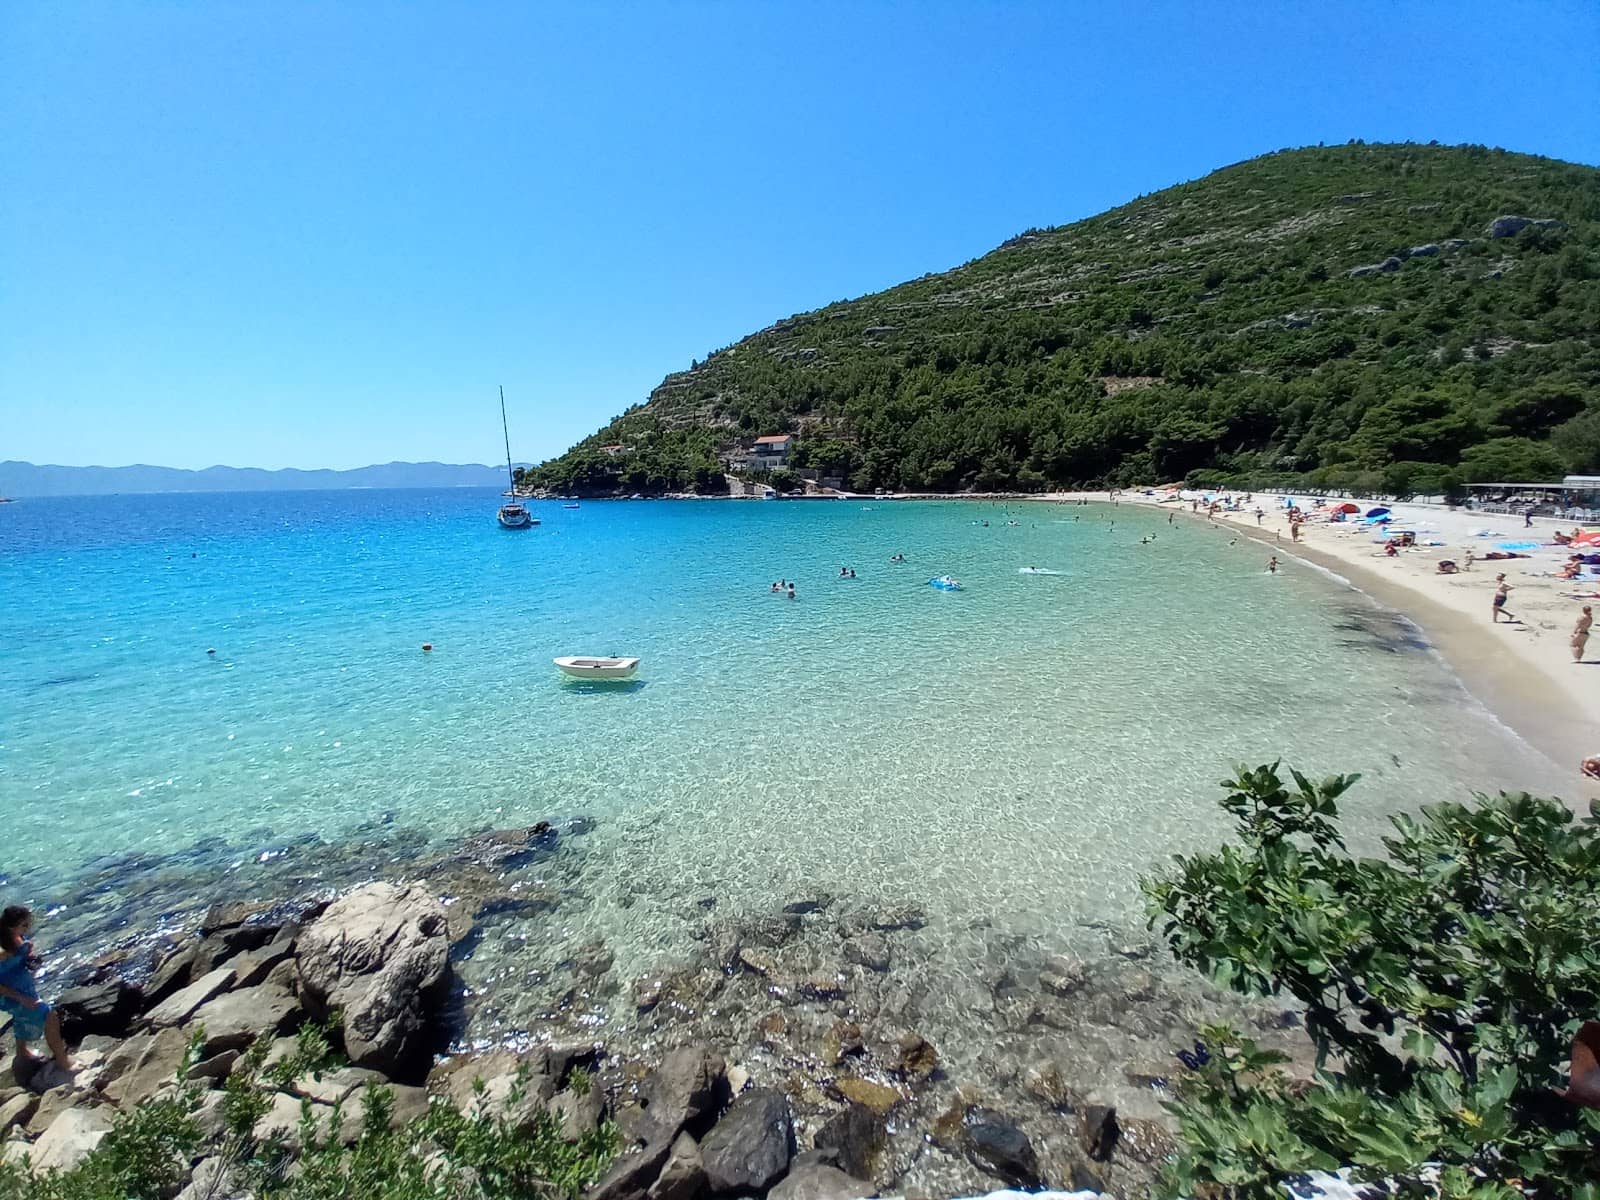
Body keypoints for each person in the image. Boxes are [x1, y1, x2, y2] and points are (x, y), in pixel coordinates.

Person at [0, 906, 74, 1078]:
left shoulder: (17, 938)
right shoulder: (2, 951)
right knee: (49, 1015)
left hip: (23, 988)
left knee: (21, 1018)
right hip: (10, 994)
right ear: (12, 926)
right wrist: (20, 998)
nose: (28, 928)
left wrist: (30, 957)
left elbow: (21, 960)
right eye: (25, 925)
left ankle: (22, 1051)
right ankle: (63, 1061)